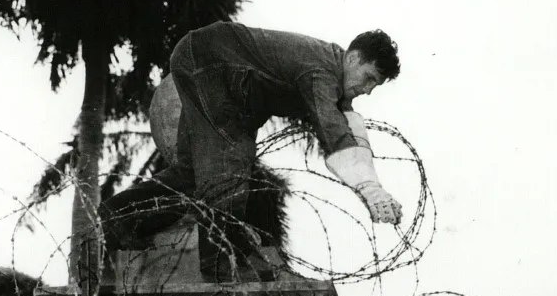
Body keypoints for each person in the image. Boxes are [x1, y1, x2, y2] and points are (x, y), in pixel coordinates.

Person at [100, 23, 403, 282]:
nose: (369, 90)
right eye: (369, 78)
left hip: (205, 63)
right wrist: (368, 189)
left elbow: (349, 125)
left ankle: (120, 217)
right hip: (209, 64)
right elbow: (333, 130)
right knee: (229, 166)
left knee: (191, 175)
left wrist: (374, 188)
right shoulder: (321, 71)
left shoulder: (330, 72)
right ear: (353, 58)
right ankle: (219, 268)